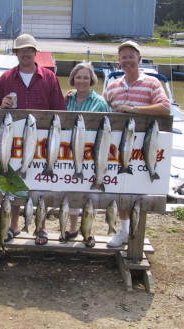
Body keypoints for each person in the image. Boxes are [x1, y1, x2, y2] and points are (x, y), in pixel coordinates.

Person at [0, 33, 66, 245]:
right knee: (16, 181)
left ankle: (41, 228)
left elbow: (59, 108)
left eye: (29, 50)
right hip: (13, 139)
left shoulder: (49, 77)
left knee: (41, 184)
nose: (25, 54)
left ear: (36, 53)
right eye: (21, 50)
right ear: (16, 53)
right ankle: (14, 225)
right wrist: (2, 106)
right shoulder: (6, 78)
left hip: (44, 139)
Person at [103, 40, 170, 247]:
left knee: (139, 193)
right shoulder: (112, 86)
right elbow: (101, 108)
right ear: (119, 61)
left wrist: (134, 110)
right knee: (120, 190)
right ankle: (124, 231)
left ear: (139, 59)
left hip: (144, 149)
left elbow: (165, 108)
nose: (127, 60)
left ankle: (136, 234)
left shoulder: (152, 83)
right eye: (123, 57)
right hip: (117, 148)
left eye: (131, 56)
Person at [64, 62, 110, 241]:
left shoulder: (100, 102)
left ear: (91, 80)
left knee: (90, 194)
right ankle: (73, 227)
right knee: (73, 190)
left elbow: (109, 128)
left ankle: (89, 230)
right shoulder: (68, 99)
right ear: (73, 79)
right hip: (70, 153)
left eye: (85, 77)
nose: (82, 80)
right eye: (78, 77)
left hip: (93, 154)